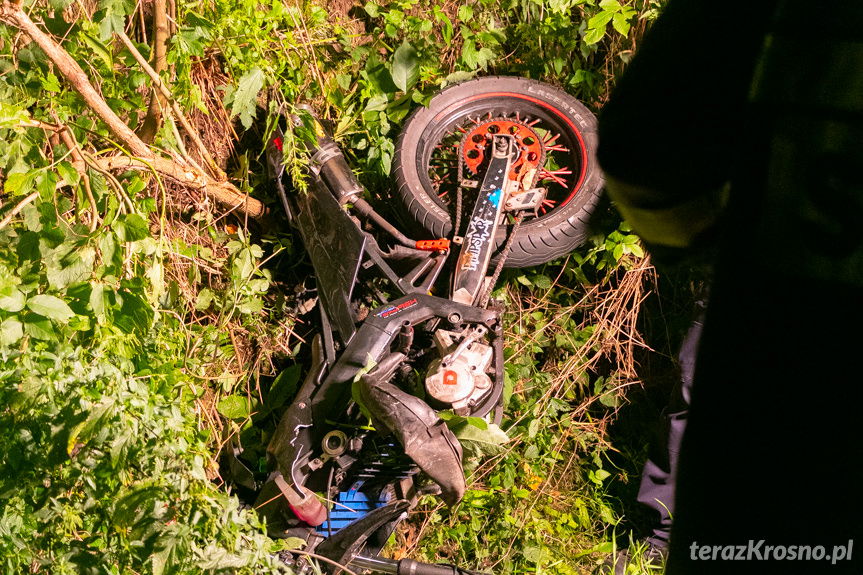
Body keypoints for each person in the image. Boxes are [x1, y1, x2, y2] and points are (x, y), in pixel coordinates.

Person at [596, 1, 863, 573]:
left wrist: (710, 246)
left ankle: (663, 530)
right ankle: (658, 527)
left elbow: (642, 143)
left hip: (780, 327)